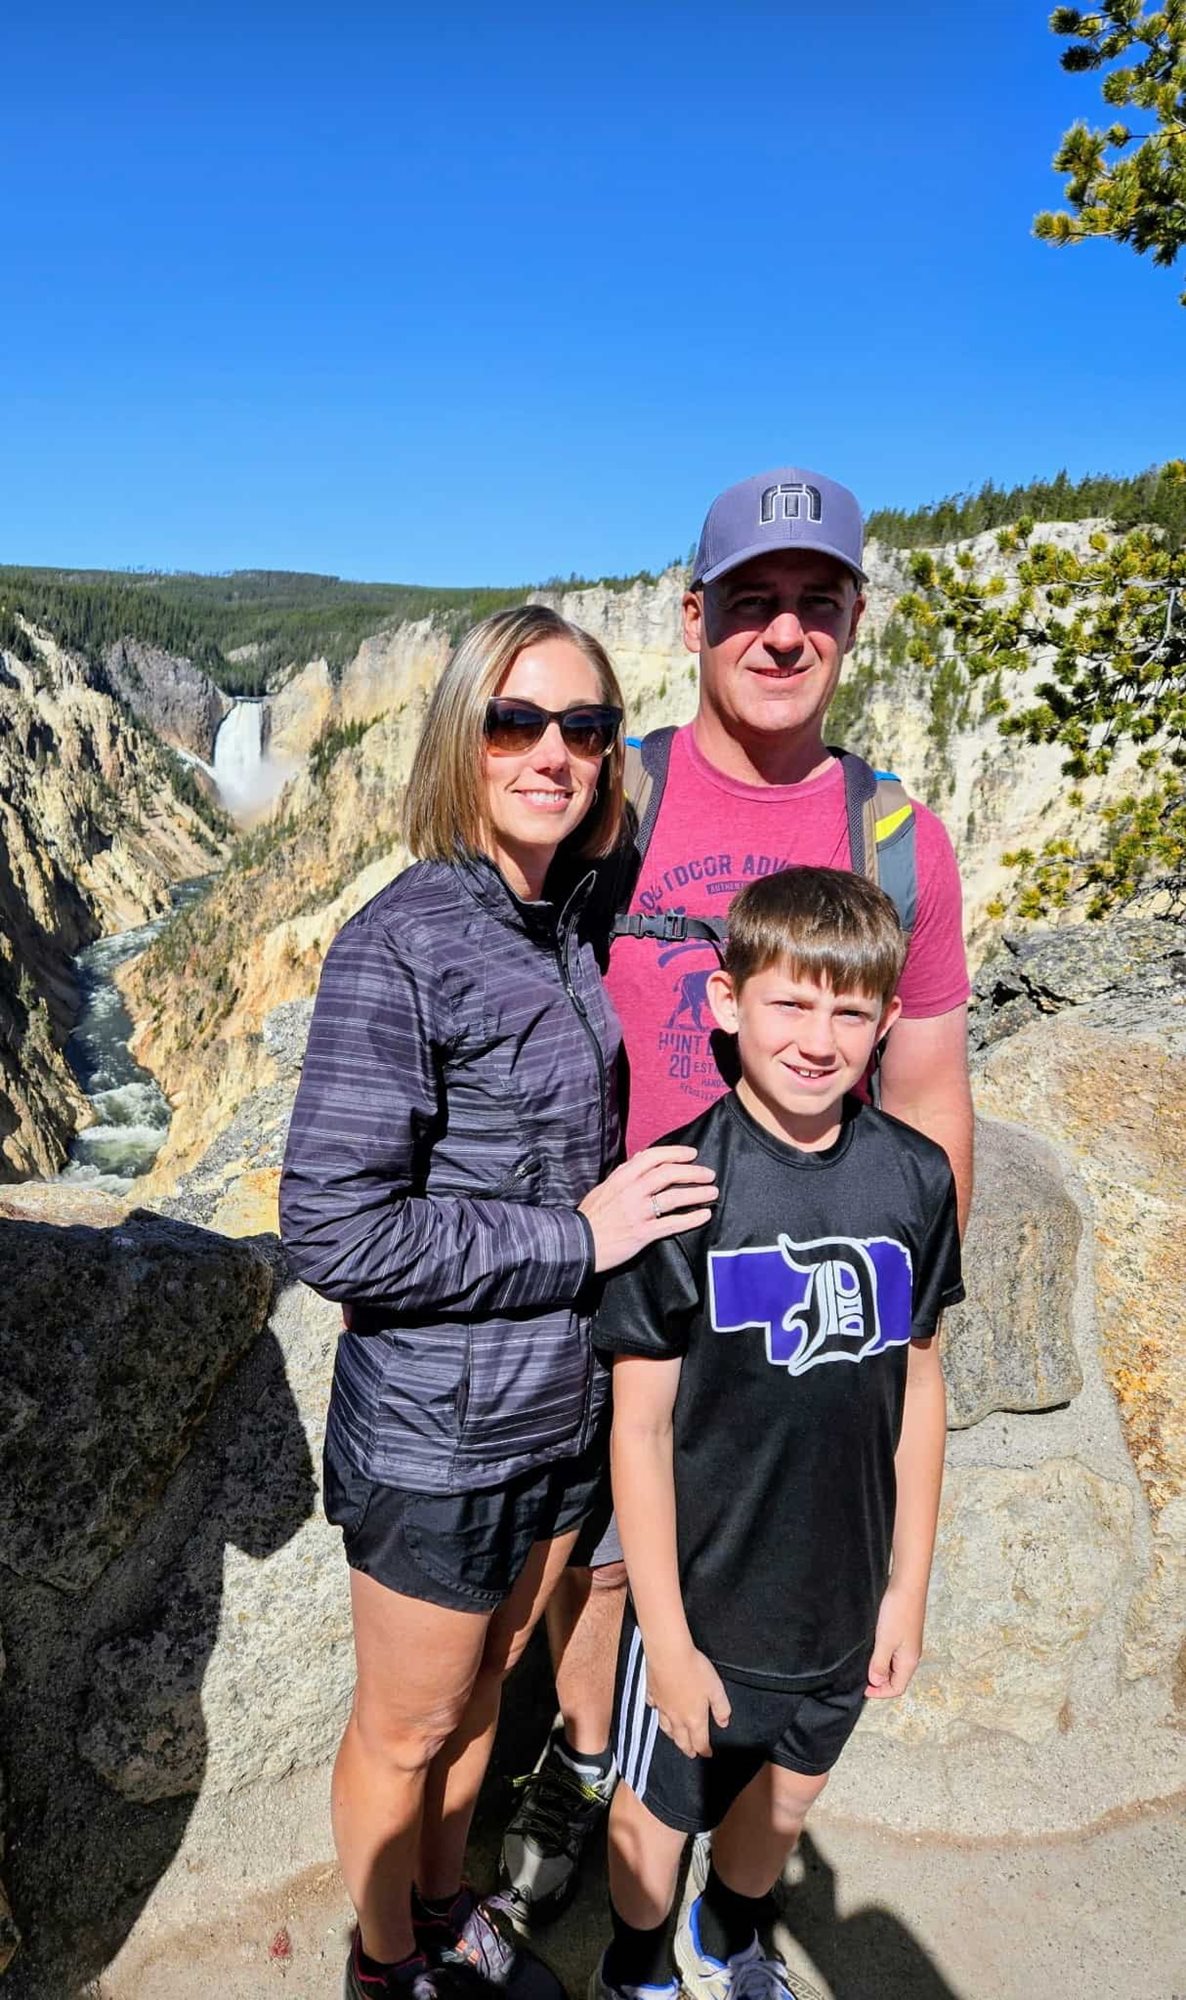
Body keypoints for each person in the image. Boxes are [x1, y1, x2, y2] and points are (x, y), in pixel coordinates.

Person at [499, 468, 973, 1923]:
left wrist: (917, 1315)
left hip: (785, 1288)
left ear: (854, 619)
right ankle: (592, 1770)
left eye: (815, 602)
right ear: (691, 615)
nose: (782, 632)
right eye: (751, 600)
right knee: (592, 1570)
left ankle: (694, 1838)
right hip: (605, 1265)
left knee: (722, 1564)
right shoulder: (615, 793)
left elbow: (928, 1086)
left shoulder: (896, 838)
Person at [279, 605, 718, 2000]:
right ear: (457, 738)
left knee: (483, 1692)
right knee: (406, 1727)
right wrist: (573, 1237)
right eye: (513, 722)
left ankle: (443, 1904)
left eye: (584, 726)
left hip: (555, 1416)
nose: (551, 753)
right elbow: (332, 1225)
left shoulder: (563, 919)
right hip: (437, 1437)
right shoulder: (398, 944)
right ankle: (384, 1963)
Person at [591, 864, 964, 2000]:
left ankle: (729, 1933)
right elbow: (640, 1429)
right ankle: (637, 1966)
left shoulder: (914, 1177)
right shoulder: (680, 1188)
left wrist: (907, 1588)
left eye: (849, 1011)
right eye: (790, 1003)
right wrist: (665, 1636)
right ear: (726, 1002)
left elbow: (920, 1385)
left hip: (842, 1594)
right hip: (705, 1594)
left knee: (790, 1794)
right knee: (660, 1809)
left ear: (886, 1022)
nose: (817, 1038)